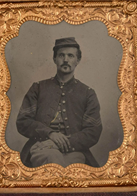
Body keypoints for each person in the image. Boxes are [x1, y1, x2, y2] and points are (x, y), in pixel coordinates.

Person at [16, 37, 102, 168]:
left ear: (77, 60)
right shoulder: (38, 88)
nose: (66, 60)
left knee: (75, 165)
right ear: (54, 59)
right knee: (52, 159)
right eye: (61, 55)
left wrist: (61, 143)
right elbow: (23, 121)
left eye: (71, 56)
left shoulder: (87, 93)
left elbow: (93, 131)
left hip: (74, 150)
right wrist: (49, 133)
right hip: (41, 146)